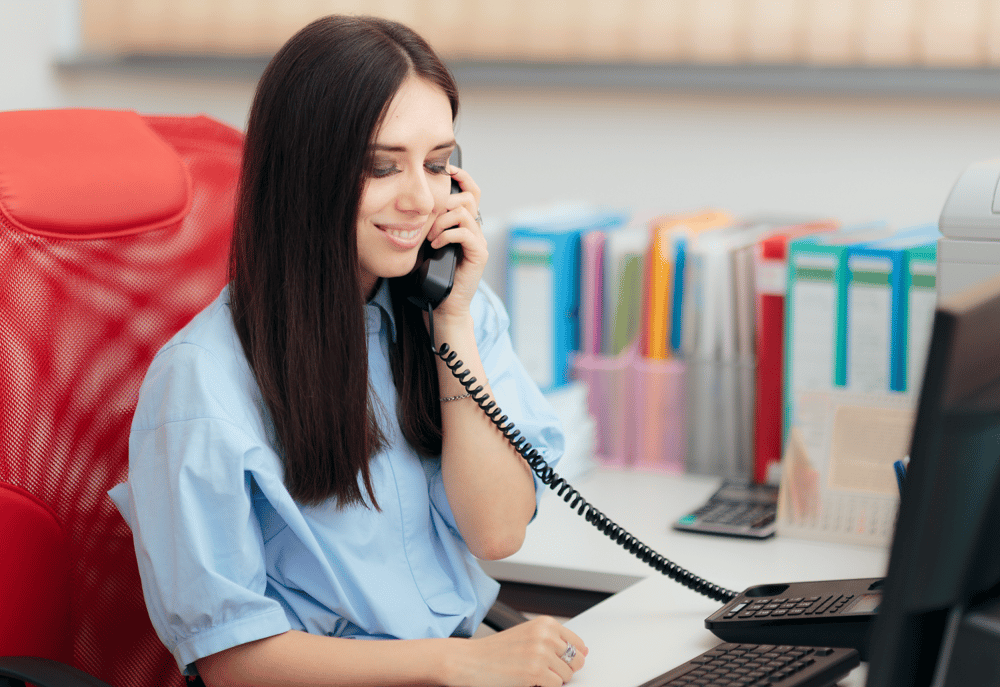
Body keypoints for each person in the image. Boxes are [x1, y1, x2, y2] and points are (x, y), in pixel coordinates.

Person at [108, 13, 588, 687]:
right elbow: (232, 662)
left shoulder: (455, 314)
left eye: (438, 163)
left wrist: (448, 319)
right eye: (382, 167)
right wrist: (455, 662)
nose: (421, 198)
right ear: (307, 173)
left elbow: (498, 532)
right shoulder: (201, 381)